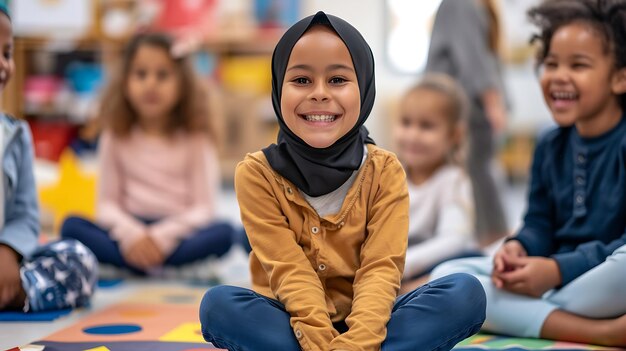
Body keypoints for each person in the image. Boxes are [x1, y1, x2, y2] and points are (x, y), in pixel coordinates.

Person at [199, 11, 486, 351]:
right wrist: (321, 340)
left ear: (363, 88)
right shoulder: (256, 173)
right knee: (218, 305)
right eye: (302, 80)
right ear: (278, 87)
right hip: (289, 317)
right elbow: (290, 272)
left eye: (337, 80)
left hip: (373, 318)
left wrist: (359, 342)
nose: (320, 93)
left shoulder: (385, 171)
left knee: (466, 293)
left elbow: (380, 269)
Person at [431, 0, 626, 346]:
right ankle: (599, 330)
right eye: (551, 63)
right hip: (557, 284)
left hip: (597, 278)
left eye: (578, 64)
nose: (558, 75)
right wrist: (519, 247)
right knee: (447, 274)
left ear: (619, 77)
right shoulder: (549, 145)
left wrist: (558, 270)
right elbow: (539, 222)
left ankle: (522, 314)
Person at [61, 33, 233, 274]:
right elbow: (107, 205)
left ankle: (141, 261)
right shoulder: (114, 134)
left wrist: (161, 237)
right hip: (129, 229)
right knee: (71, 227)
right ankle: (151, 261)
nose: (150, 83)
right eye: (141, 74)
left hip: (177, 233)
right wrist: (133, 235)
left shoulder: (196, 137)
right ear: (125, 82)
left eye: (162, 75)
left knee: (225, 233)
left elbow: (204, 208)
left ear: (182, 83)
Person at [0, 3, 97, 313]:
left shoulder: (15, 135)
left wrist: (7, 250)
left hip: (6, 263)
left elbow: (24, 214)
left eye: (7, 53)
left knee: (76, 258)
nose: (3, 65)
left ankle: (16, 292)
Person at [426, 0, 509, 243]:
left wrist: (493, 104)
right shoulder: (470, 6)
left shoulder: (460, 4)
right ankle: (489, 237)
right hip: (471, 107)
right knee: (479, 173)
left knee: (475, 175)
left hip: (468, 107)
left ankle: (489, 239)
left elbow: (475, 62)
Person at [393, 74, 480, 293]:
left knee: (468, 264)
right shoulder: (389, 174)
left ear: (454, 135)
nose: (412, 135)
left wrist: (401, 265)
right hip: (388, 265)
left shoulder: (452, 180)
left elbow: (454, 240)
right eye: (406, 123)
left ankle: (408, 292)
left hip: (423, 265)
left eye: (426, 126)